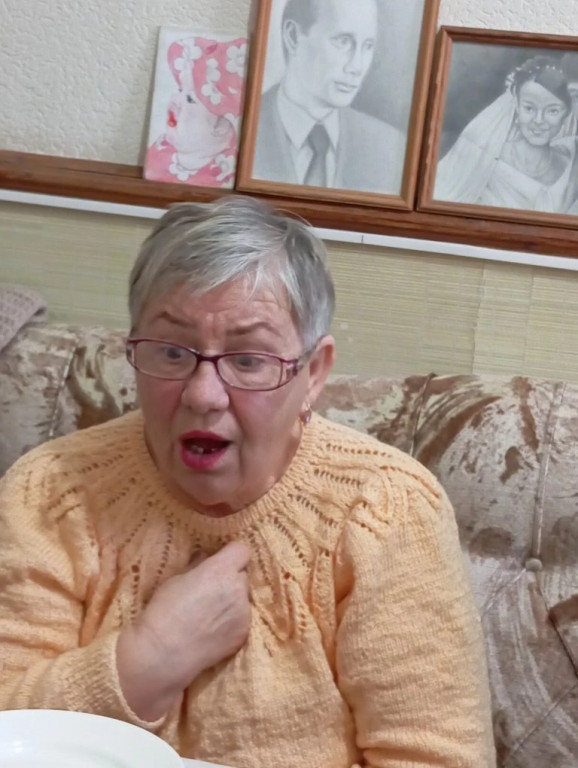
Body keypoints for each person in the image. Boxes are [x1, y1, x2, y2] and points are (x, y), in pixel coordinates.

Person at [0, 196, 496, 767]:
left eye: (249, 359)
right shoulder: (51, 489)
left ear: (313, 373)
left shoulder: (387, 508)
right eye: (171, 352)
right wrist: (152, 658)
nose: (202, 395)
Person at [253, 0, 406, 194]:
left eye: (368, 46)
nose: (356, 67)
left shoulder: (389, 147)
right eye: (343, 41)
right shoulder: (238, 126)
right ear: (293, 37)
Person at [434, 55, 575, 213]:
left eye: (552, 111)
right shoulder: (485, 159)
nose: (538, 120)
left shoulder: (570, 164)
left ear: (566, 114)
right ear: (517, 107)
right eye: (529, 108)